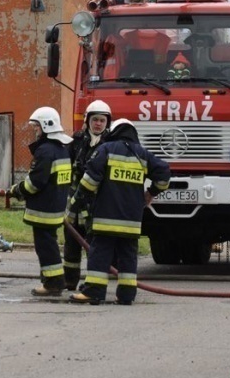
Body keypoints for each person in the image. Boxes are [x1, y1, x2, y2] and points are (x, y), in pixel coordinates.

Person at [69, 118, 170, 305]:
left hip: (105, 218)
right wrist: (150, 193)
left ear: (114, 132)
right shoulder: (142, 155)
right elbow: (164, 174)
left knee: (100, 253)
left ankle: (94, 291)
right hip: (131, 221)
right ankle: (126, 295)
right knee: (128, 256)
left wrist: (75, 202)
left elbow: (90, 181)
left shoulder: (105, 150)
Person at [8, 106, 73, 297]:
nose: (35, 131)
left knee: (46, 248)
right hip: (56, 207)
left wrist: (16, 190)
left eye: (36, 127)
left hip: (44, 209)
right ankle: (53, 280)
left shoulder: (45, 151)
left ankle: (53, 284)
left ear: (46, 126)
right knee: (49, 245)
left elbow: (35, 183)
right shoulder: (61, 149)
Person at [63, 100, 111, 291]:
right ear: (87, 121)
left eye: (102, 120)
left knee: (94, 245)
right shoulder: (76, 142)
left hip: (95, 205)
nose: (98, 124)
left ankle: (92, 283)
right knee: (71, 242)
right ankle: (69, 281)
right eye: (95, 120)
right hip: (74, 202)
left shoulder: (110, 144)